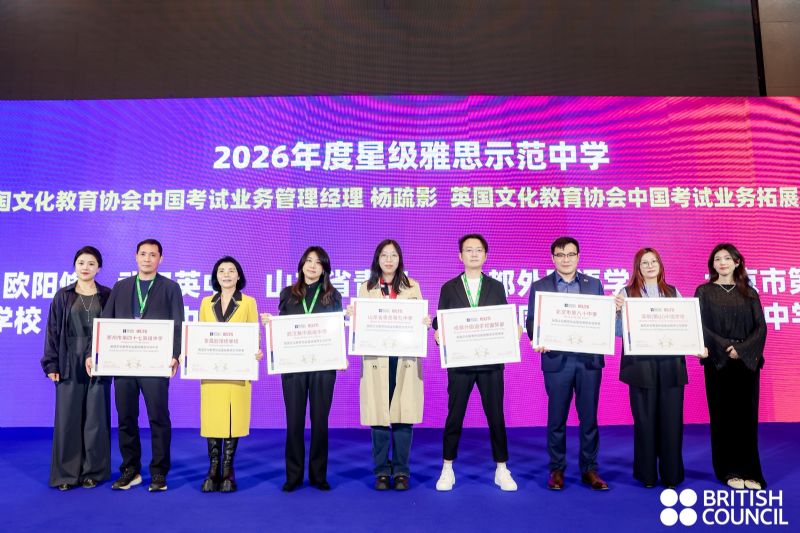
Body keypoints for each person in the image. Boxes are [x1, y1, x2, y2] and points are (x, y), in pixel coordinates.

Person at [95, 238, 184, 492]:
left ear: (160, 259)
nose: (147, 259)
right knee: (126, 418)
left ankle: (159, 472)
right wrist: (99, 354)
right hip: (124, 364)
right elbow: (106, 322)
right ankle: (130, 469)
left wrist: (175, 354)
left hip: (156, 364)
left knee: (158, 418)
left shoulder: (170, 288)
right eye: (143, 254)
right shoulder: (121, 286)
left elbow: (178, 323)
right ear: (136, 257)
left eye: (153, 254)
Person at [613, 247, 707, 488]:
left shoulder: (673, 292)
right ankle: (647, 475)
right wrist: (616, 312)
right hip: (640, 367)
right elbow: (617, 332)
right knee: (644, 422)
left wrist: (697, 345)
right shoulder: (626, 293)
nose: (650, 266)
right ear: (637, 267)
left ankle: (671, 475)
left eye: (654, 261)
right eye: (644, 263)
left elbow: (686, 325)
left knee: (671, 422)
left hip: (670, 365)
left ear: (660, 265)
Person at [432, 234, 518, 492]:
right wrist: (438, 332)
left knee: (496, 416)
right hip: (460, 364)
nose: (473, 254)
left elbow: (502, 319)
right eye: (468, 250)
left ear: (485, 255)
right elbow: (440, 320)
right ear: (460, 256)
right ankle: (447, 468)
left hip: (491, 363)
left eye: (478, 250)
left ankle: (502, 469)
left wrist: (512, 330)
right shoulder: (449, 287)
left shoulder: (496, 287)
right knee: (454, 415)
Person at [526, 236, 609, 490]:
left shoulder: (594, 285)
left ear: (578, 257)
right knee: (557, 418)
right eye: (560, 255)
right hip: (556, 360)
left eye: (571, 254)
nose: (566, 259)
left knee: (589, 418)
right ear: (552, 258)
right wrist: (538, 338)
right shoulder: (540, 286)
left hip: (588, 361)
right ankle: (557, 469)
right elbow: (532, 321)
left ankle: (590, 469)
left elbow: (602, 320)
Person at [348, 239, 430, 491]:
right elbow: (361, 327)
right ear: (377, 259)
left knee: (404, 415)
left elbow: (418, 323)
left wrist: (425, 322)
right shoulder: (366, 288)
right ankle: (382, 471)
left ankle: (402, 471)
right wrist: (353, 317)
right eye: (384, 255)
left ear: (399, 259)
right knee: (380, 415)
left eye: (393, 255)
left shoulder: (412, 286)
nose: (389, 260)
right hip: (377, 360)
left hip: (404, 360)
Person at [261, 246, 343, 492]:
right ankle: (293, 476)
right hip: (293, 367)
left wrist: (340, 354)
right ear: (301, 265)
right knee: (294, 421)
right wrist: (270, 324)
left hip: (323, 368)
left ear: (324, 268)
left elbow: (336, 331)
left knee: (320, 421)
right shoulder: (288, 294)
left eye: (318, 262)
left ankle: (319, 475)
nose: (312, 266)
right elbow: (282, 329)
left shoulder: (333, 295)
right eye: (308, 261)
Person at [695, 243, 767, 490]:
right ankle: (728, 470)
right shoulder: (704, 291)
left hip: (746, 363)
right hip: (718, 362)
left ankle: (751, 471)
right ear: (712, 265)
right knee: (722, 418)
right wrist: (727, 347)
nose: (722, 262)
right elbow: (700, 325)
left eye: (727, 258)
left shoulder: (750, 292)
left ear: (737, 262)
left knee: (747, 418)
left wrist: (742, 349)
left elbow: (761, 327)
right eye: (717, 259)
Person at [41, 246, 112, 490]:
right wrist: (51, 363)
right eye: (81, 262)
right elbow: (53, 331)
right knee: (67, 419)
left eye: (91, 263)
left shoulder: (107, 295)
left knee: (96, 418)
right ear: (75, 266)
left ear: (99, 268)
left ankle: (93, 471)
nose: (85, 267)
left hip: (99, 361)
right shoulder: (63, 295)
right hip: (68, 360)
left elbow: (113, 329)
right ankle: (66, 475)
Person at [198, 256, 263, 493]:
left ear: (239, 276)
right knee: (213, 418)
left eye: (231, 270)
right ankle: (213, 469)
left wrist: (257, 351)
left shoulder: (248, 302)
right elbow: (200, 336)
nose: (226, 274)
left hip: (238, 370)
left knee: (233, 419)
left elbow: (254, 334)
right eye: (222, 271)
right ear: (216, 276)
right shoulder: (206, 302)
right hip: (212, 371)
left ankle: (228, 470)